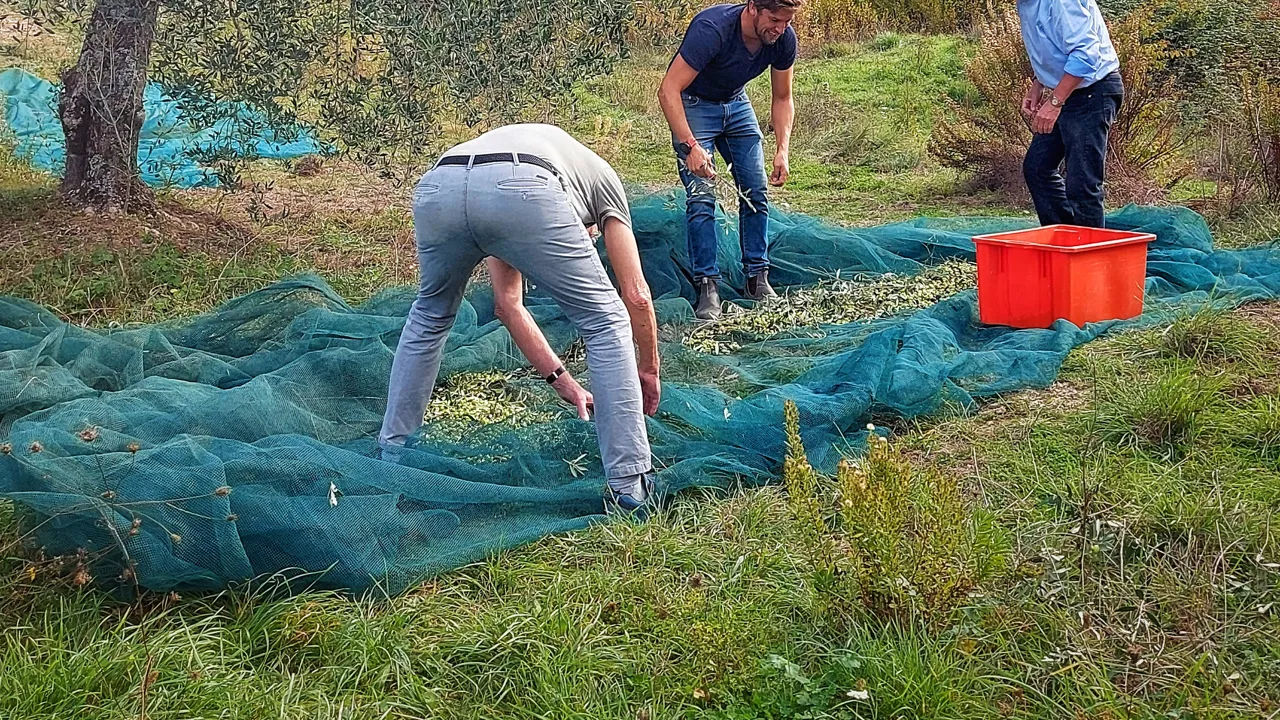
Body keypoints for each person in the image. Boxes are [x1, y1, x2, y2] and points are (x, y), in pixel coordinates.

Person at [378, 124, 662, 513]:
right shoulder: (603, 180)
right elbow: (637, 296)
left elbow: (508, 305)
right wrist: (648, 368)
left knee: (429, 318)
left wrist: (565, 384)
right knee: (606, 319)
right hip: (523, 184)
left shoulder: (547, 152)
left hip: (439, 184)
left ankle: (390, 460)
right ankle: (630, 486)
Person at [658, 0, 800, 321]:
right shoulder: (713, 29)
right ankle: (707, 286)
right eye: (774, 20)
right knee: (702, 196)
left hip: (736, 104)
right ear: (753, 7)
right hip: (694, 104)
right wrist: (690, 145)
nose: (779, 29)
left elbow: (782, 97)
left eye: (787, 22)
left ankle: (757, 278)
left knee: (755, 191)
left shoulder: (783, 39)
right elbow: (668, 90)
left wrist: (782, 149)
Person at [1018, 0, 1124, 229]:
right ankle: (1066, 244)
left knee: (1083, 185)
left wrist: (1055, 102)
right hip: (1068, 90)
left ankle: (1090, 259)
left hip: (1094, 92)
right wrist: (1039, 82)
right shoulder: (1026, 4)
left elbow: (1086, 55)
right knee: (1037, 168)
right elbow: (1054, 46)